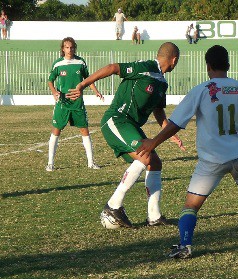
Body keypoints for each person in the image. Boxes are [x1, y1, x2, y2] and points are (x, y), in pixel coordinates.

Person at [136, 45, 238, 259]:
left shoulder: (202, 89)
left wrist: (154, 142)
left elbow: (175, 123)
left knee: (191, 204)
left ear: (208, 66)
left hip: (212, 159)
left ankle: (185, 245)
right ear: (228, 65)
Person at [67, 42, 185, 228]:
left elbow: (159, 110)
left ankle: (154, 217)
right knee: (146, 156)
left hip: (131, 126)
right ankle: (113, 206)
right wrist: (82, 84)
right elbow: (113, 68)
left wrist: (168, 132)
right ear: (174, 59)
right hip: (116, 120)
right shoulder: (145, 67)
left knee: (154, 162)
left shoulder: (162, 82)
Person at [46, 37, 103, 172]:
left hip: (77, 103)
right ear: (63, 49)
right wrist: (54, 92)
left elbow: (88, 79)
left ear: (74, 48)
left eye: (72, 47)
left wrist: (96, 92)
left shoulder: (80, 62)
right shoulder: (58, 64)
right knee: (56, 130)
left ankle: (91, 162)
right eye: (67, 47)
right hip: (63, 103)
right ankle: (50, 163)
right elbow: (50, 81)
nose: (69, 50)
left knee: (84, 130)